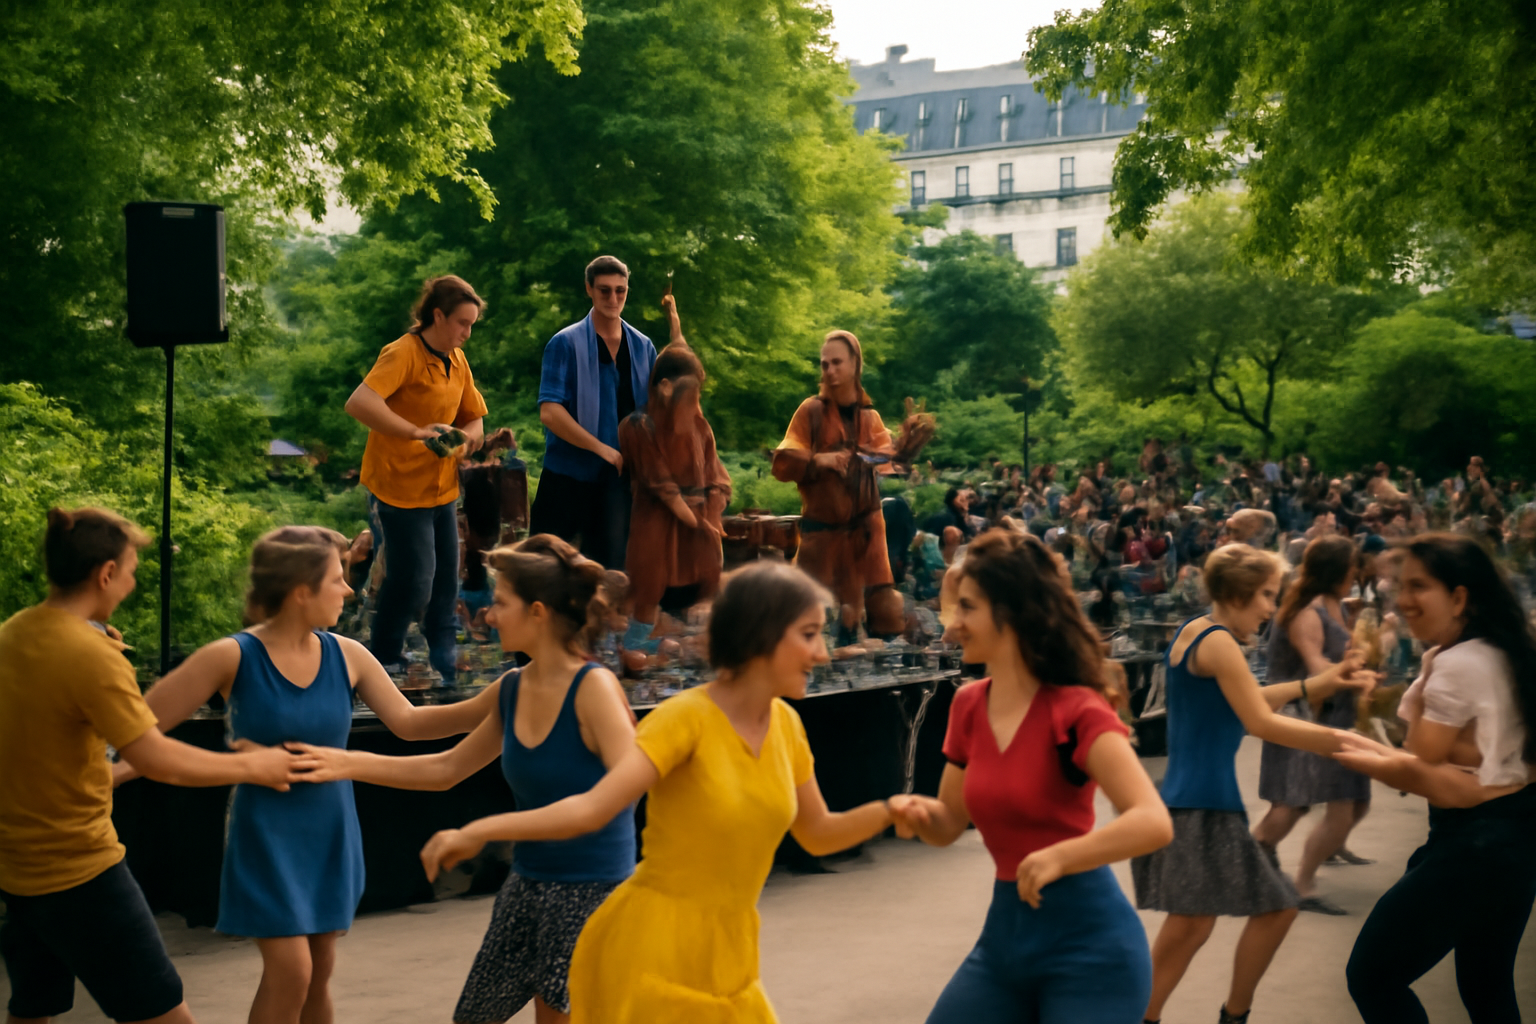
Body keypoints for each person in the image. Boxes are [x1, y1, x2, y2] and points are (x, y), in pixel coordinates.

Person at [407, 561, 896, 1023]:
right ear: (759, 634)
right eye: (809, 635)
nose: (823, 652)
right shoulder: (685, 718)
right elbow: (592, 808)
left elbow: (818, 833)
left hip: (731, 954)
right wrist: (480, 830)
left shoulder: (786, 726)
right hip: (654, 947)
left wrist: (892, 809)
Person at [122, 526, 497, 1024]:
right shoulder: (231, 655)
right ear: (302, 590)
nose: (348, 590)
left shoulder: (348, 654)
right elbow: (134, 728)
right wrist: (106, 775)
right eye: (338, 579)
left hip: (330, 833)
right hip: (266, 836)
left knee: (318, 973)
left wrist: (494, 700)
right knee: (292, 973)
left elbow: (410, 724)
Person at [291, 535, 637, 1024]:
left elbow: (615, 797)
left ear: (538, 612)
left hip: (594, 888)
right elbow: (442, 763)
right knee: (475, 1016)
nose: (489, 616)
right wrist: (346, 761)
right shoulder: (513, 688)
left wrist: (481, 831)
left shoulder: (594, 689)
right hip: (531, 881)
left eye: (500, 603)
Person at [0, 508, 312, 1024]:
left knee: (33, 1009)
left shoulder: (14, 633)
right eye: (130, 567)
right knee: (164, 1015)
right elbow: (155, 757)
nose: (133, 578)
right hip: (79, 871)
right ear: (104, 573)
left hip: (16, 868)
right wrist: (254, 767)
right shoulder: (91, 654)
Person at [887, 529, 1173, 1023]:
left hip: (1092, 954)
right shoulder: (968, 706)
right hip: (1004, 945)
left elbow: (1153, 821)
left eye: (968, 608)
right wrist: (916, 813)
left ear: (1012, 611)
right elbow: (949, 823)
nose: (952, 626)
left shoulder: (1076, 710)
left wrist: (1061, 855)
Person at [1131, 544, 1375, 1024]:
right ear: (1238, 590)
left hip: (1193, 804)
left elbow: (1244, 697)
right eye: (1266, 594)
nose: (1270, 608)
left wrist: (1313, 687)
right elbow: (1260, 721)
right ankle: (1210, 1016)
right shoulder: (1220, 641)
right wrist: (1345, 742)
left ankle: (1177, 1016)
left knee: (1202, 925)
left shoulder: (1196, 631)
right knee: (1230, 918)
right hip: (1203, 808)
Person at [1333, 534, 1536, 1024]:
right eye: (1400, 585)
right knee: (1486, 985)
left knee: (1373, 976)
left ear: (1460, 596)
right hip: (1514, 842)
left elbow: (1422, 756)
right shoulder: (1502, 651)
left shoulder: (1457, 663)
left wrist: (1373, 758)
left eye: (1418, 586)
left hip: (1475, 847)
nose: (1402, 599)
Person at [346, 274, 489, 682]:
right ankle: (384, 659)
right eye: (462, 323)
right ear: (438, 316)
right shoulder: (402, 353)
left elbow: (473, 415)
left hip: (440, 488)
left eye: (472, 325)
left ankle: (445, 663)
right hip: (397, 488)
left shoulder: (457, 359)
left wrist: (469, 438)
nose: (467, 332)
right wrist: (413, 431)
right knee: (413, 579)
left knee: (447, 580)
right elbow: (359, 402)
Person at [1250, 536, 1373, 915]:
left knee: (1327, 803)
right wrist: (1356, 674)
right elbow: (1318, 669)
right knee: (1291, 804)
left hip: (1323, 714)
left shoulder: (1334, 605)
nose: (1356, 573)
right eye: (1351, 567)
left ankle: (1270, 866)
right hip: (1296, 716)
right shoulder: (1308, 611)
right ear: (1336, 570)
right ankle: (1260, 866)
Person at [771, 330, 904, 642]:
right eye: (824, 364)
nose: (829, 371)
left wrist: (901, 455)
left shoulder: (869, 417)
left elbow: (887, 459)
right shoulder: (811, 411)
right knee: (805, 615)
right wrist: (819, 461)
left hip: (866, 535)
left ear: (855, 364)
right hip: (822, 538)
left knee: (883, 612)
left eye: (837, 363)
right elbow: (783, 462)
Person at [617, 293, 731, 652]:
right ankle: (635, 652)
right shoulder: (639, 426)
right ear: (665, 388)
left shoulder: (699, 426)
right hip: (659, 521)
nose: (695, 405)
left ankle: (691, 650)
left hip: (698, 520)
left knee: (705, 590)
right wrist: (696, 520)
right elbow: (660, 483)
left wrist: (711, 510)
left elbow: (716, 474)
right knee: (647, 591)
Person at [532, 256, 658, 569]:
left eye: (620, 291)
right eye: (604, 291)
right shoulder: (564, 343)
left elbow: (654, 414)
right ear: (589, 289)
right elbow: (550, 412)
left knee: (609, 572)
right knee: (542, 570)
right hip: (567, 474)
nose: (613, 299)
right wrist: (601, 449)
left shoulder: (643, 347)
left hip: (618, 480)